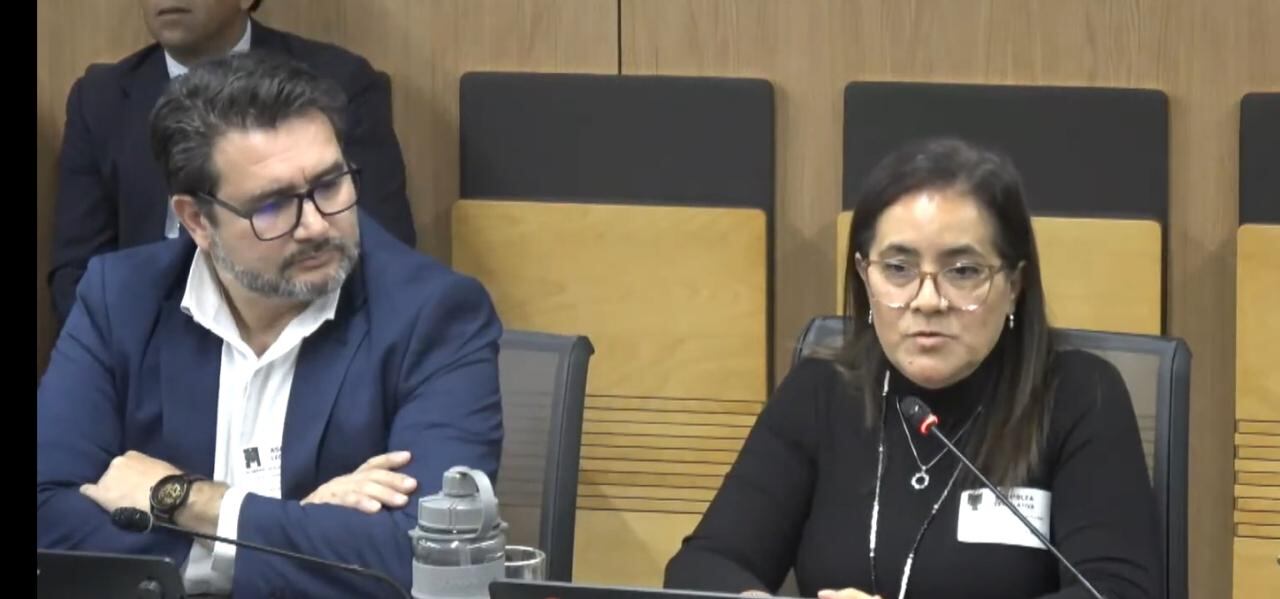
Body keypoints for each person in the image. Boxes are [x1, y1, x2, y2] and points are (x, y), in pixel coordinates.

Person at [36, 52, 502, 598]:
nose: (315, 225)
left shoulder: (436, 315)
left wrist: (189, 501)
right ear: (196, 220)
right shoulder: (121, 301)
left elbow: (424, 557)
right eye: (273, 205)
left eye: (331, 186)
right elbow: (46, 517)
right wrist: (295, 528)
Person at [663, 138, 1160, 599]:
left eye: (962, 271)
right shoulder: (821, 393)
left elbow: (1116, 592)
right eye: (898, 269)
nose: (927, 300)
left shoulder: (1078, 397)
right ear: (865, 277)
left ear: (1014, 284)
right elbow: (704, 566)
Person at [48, 0, 416, 327]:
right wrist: (125, 351)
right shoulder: (100, 99)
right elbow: (75, 271)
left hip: (299, 337)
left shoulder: (341, 82)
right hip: (143, 347)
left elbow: (385, 250)